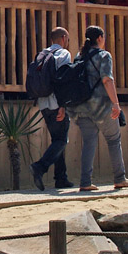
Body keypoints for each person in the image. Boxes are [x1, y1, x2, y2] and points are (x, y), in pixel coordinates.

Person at [66, 25, 128, 192]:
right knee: (113, 140)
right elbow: (107, 80)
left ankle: (85, 182)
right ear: (99, 38)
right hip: (101, 106)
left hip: (81, 106)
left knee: (89, 143)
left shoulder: (79, 56)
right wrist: (116, 103)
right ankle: (120, 178)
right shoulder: (104, 55)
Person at [29, 27, 75, 191]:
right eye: (67, 39)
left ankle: (61, 178)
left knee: (57, 140)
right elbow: (63, 80)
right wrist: (63, 105)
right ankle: (40, 167)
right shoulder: (64, 54)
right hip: (57, 102)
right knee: (62, 140)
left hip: (43, 103)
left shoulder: (42, 54)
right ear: (63, 38)